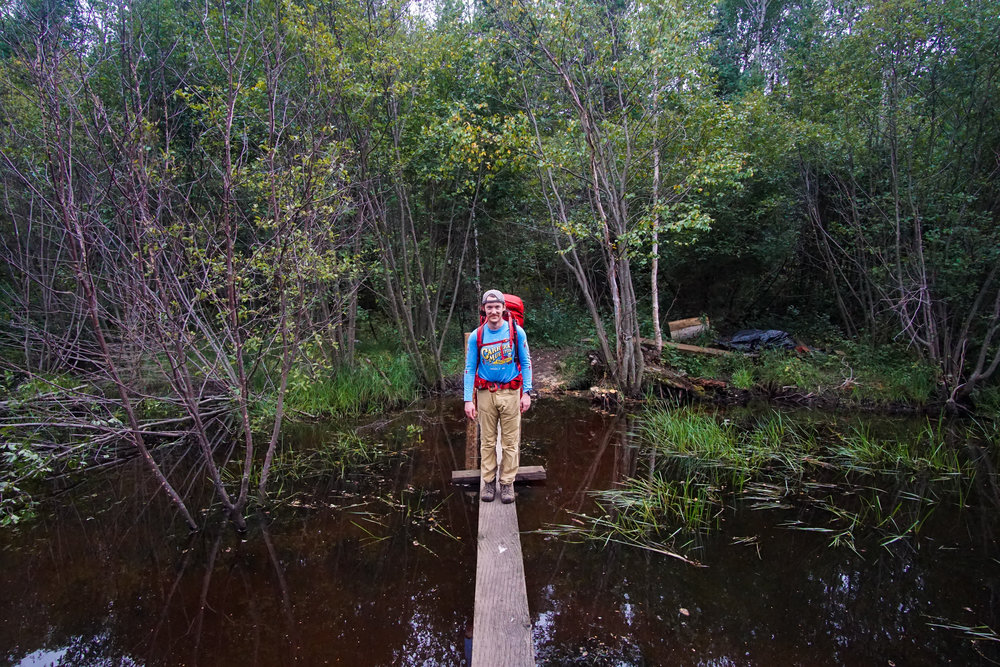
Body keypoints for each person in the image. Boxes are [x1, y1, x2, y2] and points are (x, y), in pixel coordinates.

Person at [463, 290, 532, 504]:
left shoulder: (516, 332)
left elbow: (526, 362)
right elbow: (469, 368)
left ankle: (507, 483)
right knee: (488, 442)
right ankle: (489, 482)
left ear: (503, 308)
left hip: (511, 393)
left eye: (497, 306)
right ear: (484, 309)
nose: (493, 311)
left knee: (510, 442)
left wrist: (527, 392)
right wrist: (468, 399)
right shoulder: (477, 335)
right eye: (489, 307)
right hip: (485, 394)